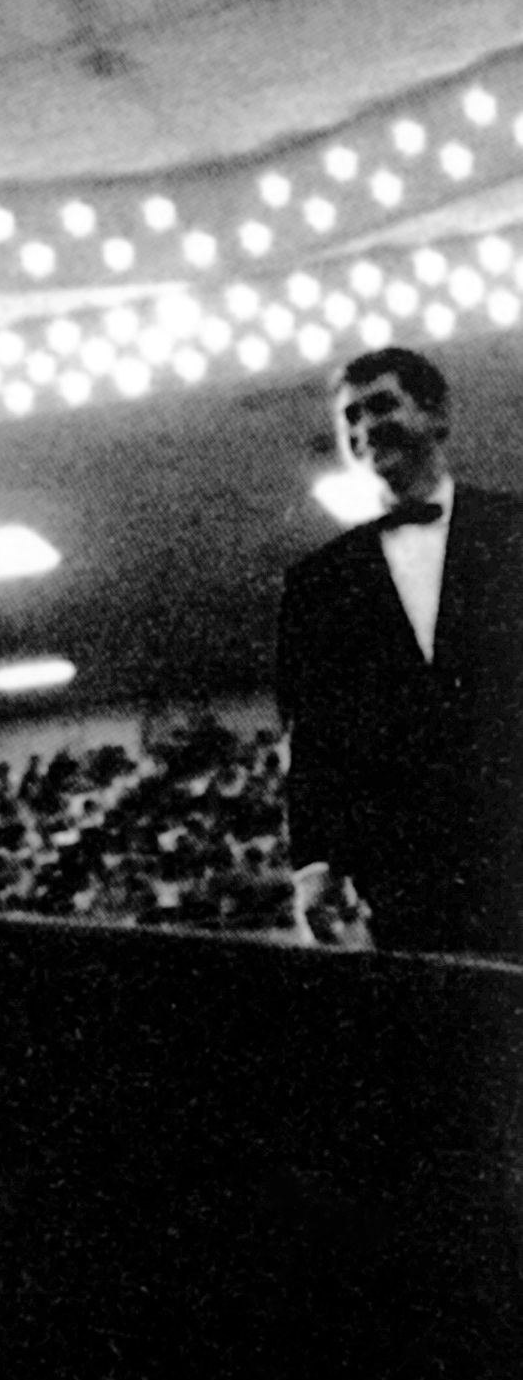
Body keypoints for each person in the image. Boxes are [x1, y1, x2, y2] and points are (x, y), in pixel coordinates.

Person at [275, 342, 523, 960]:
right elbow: (313, 739)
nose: (365, 427)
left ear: (437, 416)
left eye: (382, 405)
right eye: (350, 419)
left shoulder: (517, 532)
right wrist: (313, 864)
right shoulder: (318, 583)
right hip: (406, 872)